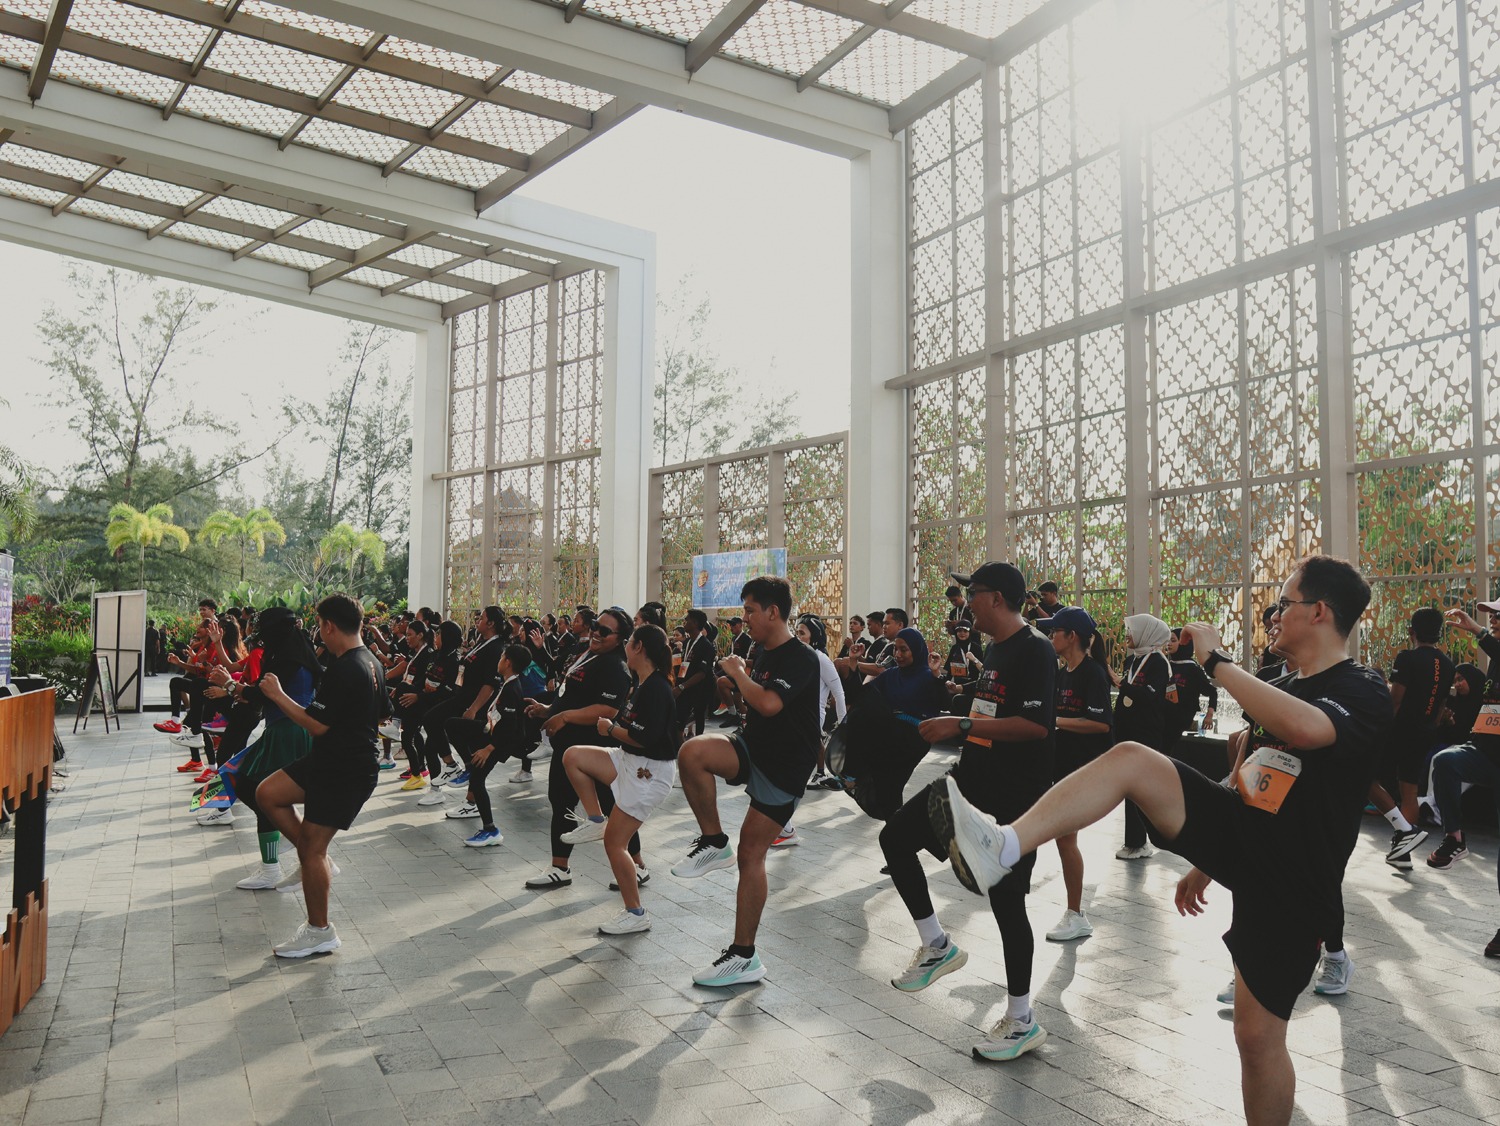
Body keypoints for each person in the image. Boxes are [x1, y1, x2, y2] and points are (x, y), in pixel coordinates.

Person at [934, 555, 1390, 1123]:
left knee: (1256, 1036)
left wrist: (1216, 662)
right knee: (1131, 759)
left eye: (1284, 604)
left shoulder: (1362, 688)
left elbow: (1309, 729)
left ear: (1320, 612)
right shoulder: (1280, 685)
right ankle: (1003, 846)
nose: (1273, 616)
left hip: (1295, 880)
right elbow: (1254, 772)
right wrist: (1209, 858)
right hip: (1244, 836)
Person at [878, 562, 1054, 1063]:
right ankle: (936, 945)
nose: (965, 602)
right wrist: (957, 710)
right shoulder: (993, 649)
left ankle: (1021, 1019)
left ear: (996, 598)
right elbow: (986, 711)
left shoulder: (1035, 649)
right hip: (969, 781)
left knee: (1007, 902)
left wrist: (960, 723)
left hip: (1016, 800)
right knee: (895, 838)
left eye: (971, 593)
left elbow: (1035, 727)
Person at [670, 576, 821, 986]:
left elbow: (770, 703)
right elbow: (759, 704)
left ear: (773, 611)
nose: (745, 618)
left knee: (751, 853)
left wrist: (738, 673)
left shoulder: (803, 657)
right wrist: (740, 677)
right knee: (692, 753)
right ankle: (713, 841)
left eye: (751, 610)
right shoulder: (763, 650)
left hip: (785, 767)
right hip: (754, 746)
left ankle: (743, 957)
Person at [255, 594, 389, 958]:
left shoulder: (347, 667)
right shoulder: (372, 662)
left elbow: (315, 725)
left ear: (329, 625)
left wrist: (278, 695)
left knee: (311, 848)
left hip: (346, 768)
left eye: (318, 625)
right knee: (268, 793)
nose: (318, 633)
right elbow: (382, 714)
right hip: (330, 759)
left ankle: (319, 931)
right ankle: (317, 862)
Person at [558, 624, 679, 933]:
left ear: (638, 648)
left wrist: (610, 729)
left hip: (648, 772)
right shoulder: (642, 682)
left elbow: (644, 738)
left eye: (629, 641)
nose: (625, 646)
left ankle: (635, 913)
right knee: (573, 756)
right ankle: (595, 819)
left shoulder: (656, 688)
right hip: (628, 759)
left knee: (615, 843)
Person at [521, 607, 635, 890]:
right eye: (595, 625)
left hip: (595, 749)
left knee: (613, 808)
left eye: (605, 631)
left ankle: (638, 866)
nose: (596, 632)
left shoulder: (615, 666)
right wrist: (548, 710)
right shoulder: (587, 653)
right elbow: (571, 695)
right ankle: (559, 867)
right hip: (567, 747)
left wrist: (565, 717)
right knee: (561, 802)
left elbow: (608, 708)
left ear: (620, 638)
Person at [208, 607, 320, 886]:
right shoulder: (296, 651)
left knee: (255, 789)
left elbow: (261, 694)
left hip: (287, 731)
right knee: (254, 789)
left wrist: (230, 686)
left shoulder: (286, 657)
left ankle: (284, 856)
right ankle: (275, 861)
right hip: (286, 730)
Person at [1426, 605, 1500, 958]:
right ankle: (1454, 838)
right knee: (1445, 761)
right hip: (1485, 755)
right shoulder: (1494, 664)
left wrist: (1477, 632)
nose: (1493, 619)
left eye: (1499, 615)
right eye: (1492, 616)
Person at [1038, 607, 1112, 942]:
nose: (1050, 636)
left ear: (1072, 637)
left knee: (1066, 839)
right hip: (1062, 765)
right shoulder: (1061, 672)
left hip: (1084, 769)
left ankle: (1076, 914)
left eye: (1055, 631)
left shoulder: (1092, 674)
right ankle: (1074, 913)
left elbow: (1100, 723)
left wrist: (1055, 721)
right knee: (1063, 839)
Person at [1367, 607, 1453, 868]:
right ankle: (1402, 853)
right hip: (1425, 733)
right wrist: (1428, 728)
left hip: (1399, 731)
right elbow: (1440, 708)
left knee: (1366, 779)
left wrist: (1380, 730)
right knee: (1410, 791)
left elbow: (1395, 701)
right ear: (1439, 633)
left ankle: (1404, 833)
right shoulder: (1448, 664)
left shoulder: (1407, 658)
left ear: (1411, 631)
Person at [446, 642, 534, 848]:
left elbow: (510, 728)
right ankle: (469, 766)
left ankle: (490, 830)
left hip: (499, 742)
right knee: (452, 725)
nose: (499, 660)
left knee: (477, 782)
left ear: (508, 662)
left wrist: (488, 749)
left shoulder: (512, 689)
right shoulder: (508, 683)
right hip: (491, 732)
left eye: (502, 657)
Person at [418, 606, 505, 803]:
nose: (478, 620)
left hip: (474, 702)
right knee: (432, 720)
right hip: (462, 696)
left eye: (482, 618)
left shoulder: (495, 647)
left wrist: (473, 709)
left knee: (470, 746)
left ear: (491, 623)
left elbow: (490, 684)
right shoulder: (482, 642)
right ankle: (452, 766)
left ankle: (472, 800)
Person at [1112, 613, 1174, 860]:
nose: (1127, 635)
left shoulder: (1158, 662)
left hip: (1146, 734)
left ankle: (1139, 843)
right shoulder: (1132, 661)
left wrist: (1123, 685)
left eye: (1132, 630)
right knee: (1130, 789)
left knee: (1138, 789)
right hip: (1127, 732)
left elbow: (1149, 696)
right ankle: (1134, 841)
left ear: (1147, 632)